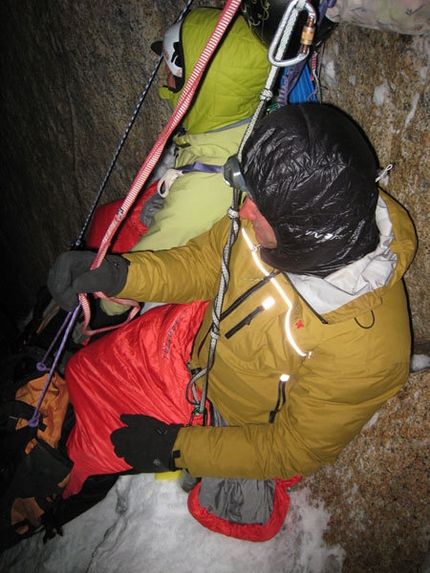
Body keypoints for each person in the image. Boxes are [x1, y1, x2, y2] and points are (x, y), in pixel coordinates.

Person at [47, 103, 417, 539]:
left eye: (258, 211)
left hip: (229, 418)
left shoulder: (368, 351)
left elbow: (292, 447)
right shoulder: (287, 210)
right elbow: (208, 262)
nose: (242, 213)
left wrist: (176, 448)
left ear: (305, 237)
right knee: (81, 372)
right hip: (197, 345)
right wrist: (122, 273)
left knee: (86, 452)